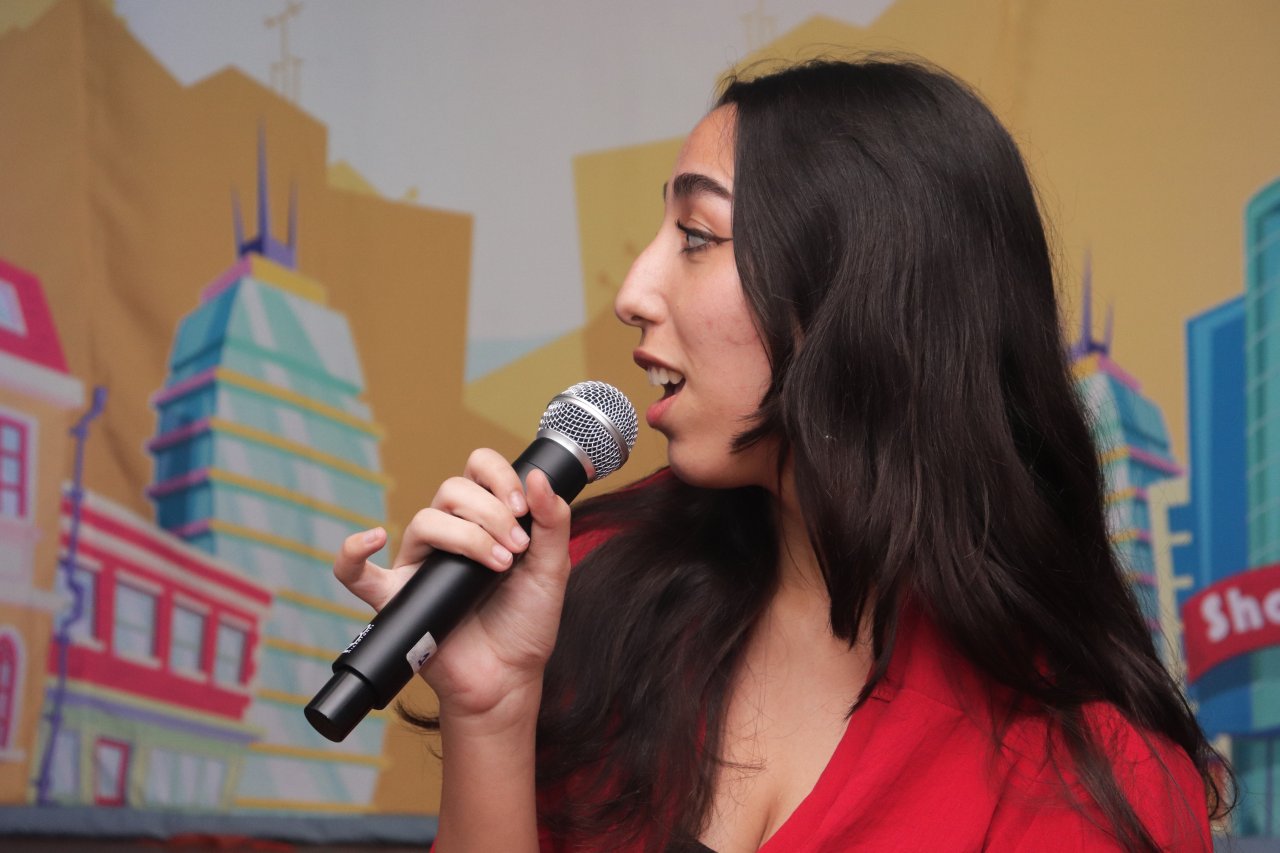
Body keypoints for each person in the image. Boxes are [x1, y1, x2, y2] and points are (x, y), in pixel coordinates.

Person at [333, 57, 1226, 852]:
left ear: (858, 291)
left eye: (696, 237)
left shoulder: (1089, 772)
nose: (633, 292)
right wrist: (490, 710)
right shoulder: (596, 590)